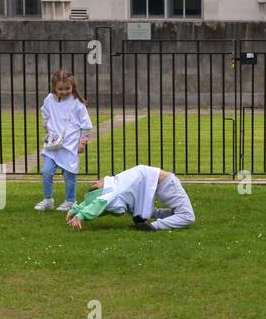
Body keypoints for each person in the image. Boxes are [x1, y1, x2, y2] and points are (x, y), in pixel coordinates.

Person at [65, 164, 196, 232]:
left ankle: (154, 222)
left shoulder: (114, 185)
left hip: (162, 185)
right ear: (100, 187)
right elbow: (99, 201)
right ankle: (153, 226)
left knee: (170, 213)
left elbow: (93, 202)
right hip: (167, 183)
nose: (97, 181)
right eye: (96, 183)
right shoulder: (114, 187)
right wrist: (80, 215)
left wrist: (75, 210)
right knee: (187, 216)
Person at [35, 69, 93, 212]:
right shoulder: (49, 99)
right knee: (47, 171)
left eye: (67, 88)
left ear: (72, 87)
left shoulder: (77, 103)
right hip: (53, 144)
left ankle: (70, 201)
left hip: (70, 145)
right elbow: (45, 113)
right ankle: (48, 199)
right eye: (60, 89)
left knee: (69, 175)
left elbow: (86, 125)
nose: (64, 91)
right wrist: (47, 127)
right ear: (54, 87)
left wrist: (82, 142)